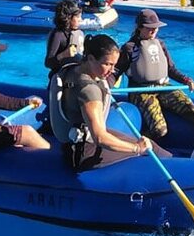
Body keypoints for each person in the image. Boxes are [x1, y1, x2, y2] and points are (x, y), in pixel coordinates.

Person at [56, 34, 170, 172]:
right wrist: (136, 149)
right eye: (107, 64)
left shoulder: (73, 68)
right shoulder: (89, 91)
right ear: (91, 58)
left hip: (76, 140)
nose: (111, 71)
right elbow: (100, 137)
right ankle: (179, 171)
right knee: (149, 148)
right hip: (85, 152)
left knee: (149, 144)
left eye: (114, 65)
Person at [114, 9, 194, 139]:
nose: (154, 31)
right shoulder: (129, 48)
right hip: (141, 92)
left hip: (164, 87)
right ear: (140, 27)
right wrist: (105, 86)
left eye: (156, 28)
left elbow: (171, 70)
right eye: (150, 28)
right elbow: (116, 72)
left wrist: (187, 80)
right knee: (160, 130)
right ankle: (136, 144)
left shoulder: (160, 44)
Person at [44, 0, 84, 77]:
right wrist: (63, 55)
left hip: (75, 74)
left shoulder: (78, 33)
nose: (81, 20)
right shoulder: (58, 35)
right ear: (68, 17)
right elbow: (48, 63)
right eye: (78, 17)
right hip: (60, 76)